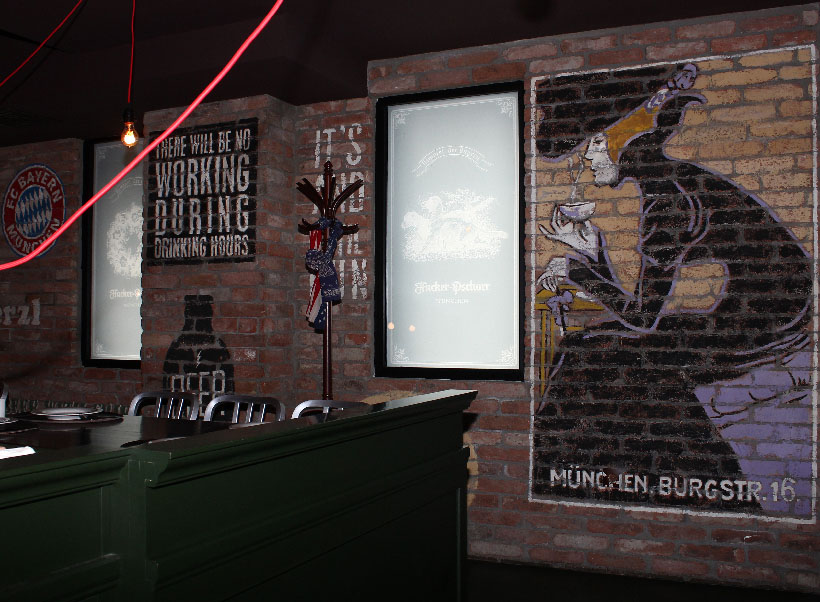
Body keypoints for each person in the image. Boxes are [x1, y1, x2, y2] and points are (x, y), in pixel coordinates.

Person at [531, 64, 812, 509]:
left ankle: (568, 484)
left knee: (595, 355)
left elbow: (642, 318)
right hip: (752, 314)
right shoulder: (667, 182)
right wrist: (593, 252)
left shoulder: (669, 200)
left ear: (624, 140)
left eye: (595, 144)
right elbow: (645, 309)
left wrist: (576, 270)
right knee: (591, 349)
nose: (586, 159)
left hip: (766, 327)